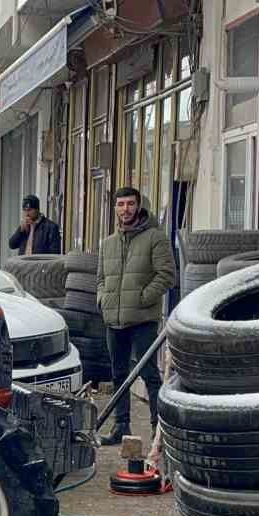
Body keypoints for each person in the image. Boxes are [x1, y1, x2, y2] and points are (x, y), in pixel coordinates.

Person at [97, 186, 175, 445]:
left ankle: (157, 429)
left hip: (142, 319)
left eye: (130, 204)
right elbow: (100, 279)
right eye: (120, 204)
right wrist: (103, 300)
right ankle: (121, 426)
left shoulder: (155, 238)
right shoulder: (107, 243)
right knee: (119, 374)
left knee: (150, 375)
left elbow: (167, 274)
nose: (125, 209)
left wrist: (142, 299)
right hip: (114, 320)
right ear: (115, 208)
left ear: (139, 205)